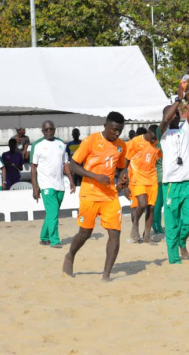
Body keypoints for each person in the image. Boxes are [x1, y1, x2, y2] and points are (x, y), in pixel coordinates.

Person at [62, 111, 128, 282]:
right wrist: (95, 176)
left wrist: (122, 178)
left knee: (115, 233)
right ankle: (70, 255)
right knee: (85, 233)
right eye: (114, 130)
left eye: (119, 131)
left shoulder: (121, 146)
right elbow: (73, 166)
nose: (117, 133)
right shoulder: (91, 141)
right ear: (105, 126)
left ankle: (106, 275)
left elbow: (121, 167)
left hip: (110, 195)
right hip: (90, 193)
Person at [157, 76, 189, 264]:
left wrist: (186, 92)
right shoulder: (162, 133)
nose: (176, 116)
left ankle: (182, 240)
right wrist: (177, 99)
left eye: (177, 114)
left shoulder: (185, 128)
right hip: (171, 185)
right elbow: (166, 118)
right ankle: (174, 258)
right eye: (173, 114)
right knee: (172, 223)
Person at [30, 120, 76, 248]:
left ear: (54, 129)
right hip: (46, 185)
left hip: (60, 185)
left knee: (52, 213)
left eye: (51, 129)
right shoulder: (37, 145)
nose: (48, 131)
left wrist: (71, 180)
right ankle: (54, 240)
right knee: (53, 213)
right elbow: (33, 168)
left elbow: (65, 164)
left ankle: (44, 237)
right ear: (42, 131)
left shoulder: (61, 144)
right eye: (46, 129)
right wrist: (35, 188)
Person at [125, 124, 161, 244]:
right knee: (142, 204)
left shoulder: (157, 144)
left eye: (156, 138)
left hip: (152, 179)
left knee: (151, 208)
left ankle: (146, 237)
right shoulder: (135, 141)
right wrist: (124, 178)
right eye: (153, 137)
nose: (154, 139)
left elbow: (159, 157)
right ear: (148, 132)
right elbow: (127, 159)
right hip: (138, 178)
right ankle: (135, 225)